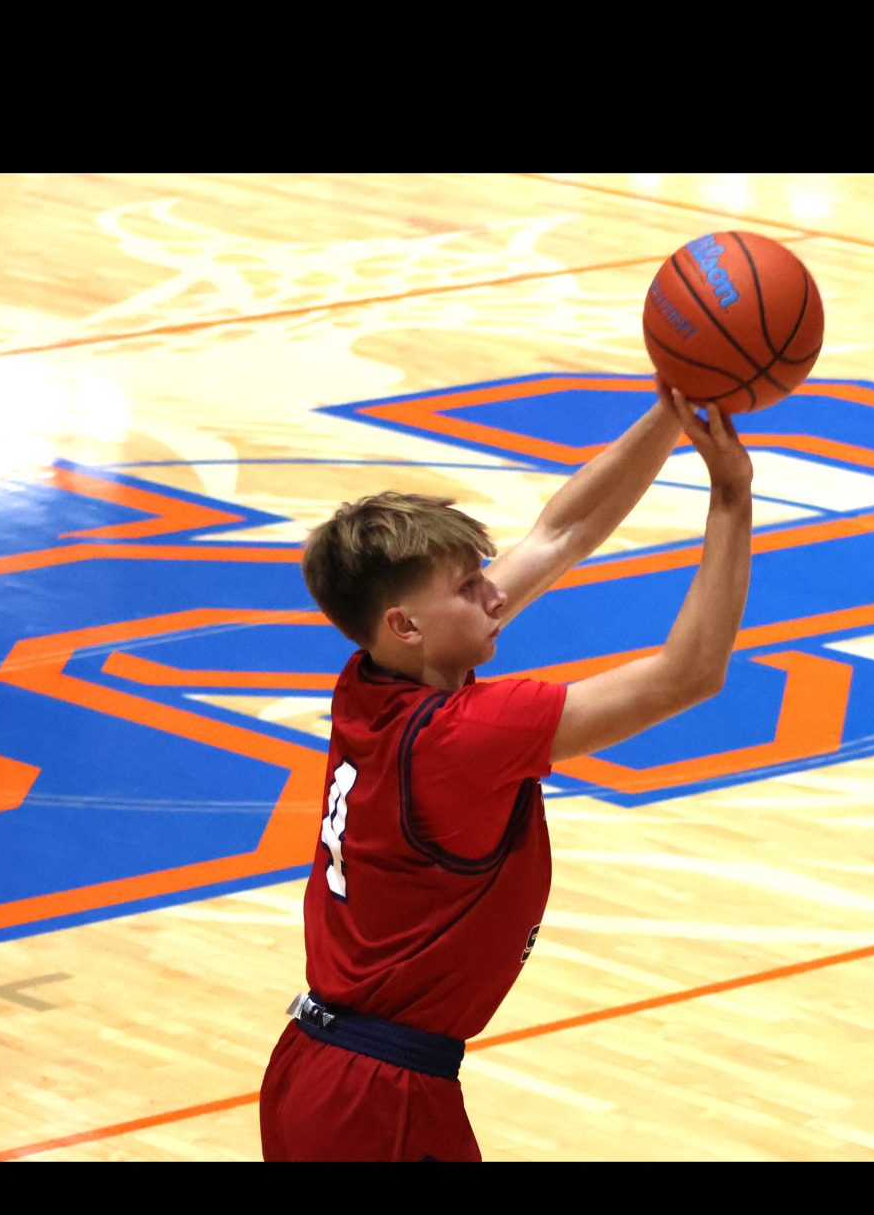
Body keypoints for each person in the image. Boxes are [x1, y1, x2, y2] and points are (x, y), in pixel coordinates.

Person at [258, 386, 753, 1161]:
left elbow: (561, 532)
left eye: (482, 572)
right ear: (405, 624)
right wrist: (730, 496)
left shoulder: (372, 677)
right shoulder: (463, 737)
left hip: (317, 1070)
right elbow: (687, 673)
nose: (494, 590)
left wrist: (672, 406)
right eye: (468, 587)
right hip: (378, 1100)